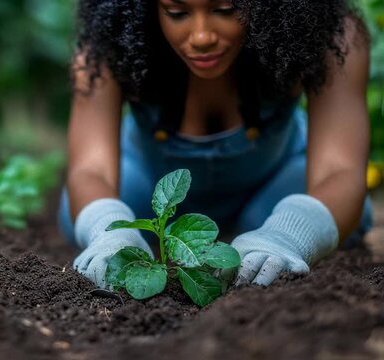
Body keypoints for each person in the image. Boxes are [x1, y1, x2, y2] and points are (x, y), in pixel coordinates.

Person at [58, 0, 373, 289]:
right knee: (82, 214)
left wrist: (288, 234)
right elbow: (91, 168)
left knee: (341, 211)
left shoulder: (331, 37)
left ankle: (261, 230)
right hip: (149, 191)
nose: (201, 36)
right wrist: (109, 229)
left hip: (271, 185)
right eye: (177, 13)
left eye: (225, 8)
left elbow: (340, 170)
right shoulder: (107, 44)